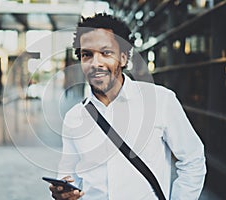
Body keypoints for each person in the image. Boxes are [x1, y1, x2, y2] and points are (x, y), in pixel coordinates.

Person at [49, 13, 206, 199]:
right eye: (87, 55)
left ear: (123, 58)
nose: (95, 63)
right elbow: (69, 174)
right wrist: (64, 191)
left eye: (106, 53)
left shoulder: (160, 101)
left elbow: (192, 160)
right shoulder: (74, 117)